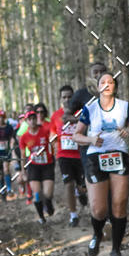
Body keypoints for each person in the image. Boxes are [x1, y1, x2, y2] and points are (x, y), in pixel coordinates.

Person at [73, 73, 129, 256]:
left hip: (119, 155)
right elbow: (76, 135)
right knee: (99, 209)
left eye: (110, 82)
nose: (107, 85)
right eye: (103, 82)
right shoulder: (90, 108)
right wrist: (91, 139)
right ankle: (97, 234)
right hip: (95, 157)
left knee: (119, 204)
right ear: (98, 87)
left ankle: (116, 249)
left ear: (115, 86)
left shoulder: (124, 107)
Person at [50, 85, 88, 226]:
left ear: (74, 98)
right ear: (60, 99)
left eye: (69, 97)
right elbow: (52, 134)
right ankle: (73, 215)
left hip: (80, 154)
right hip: (64, 155)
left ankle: (81, 192)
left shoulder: (82, 113)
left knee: (82, 185)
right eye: (64, 97)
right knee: (69, 184)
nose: (67, 100)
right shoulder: (56, 116)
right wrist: (54, 146)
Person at [18, 109, 55, 224]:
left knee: (48, 194)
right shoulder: (24, 137)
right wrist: (23, 171)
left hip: (47, 165)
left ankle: (49, 204)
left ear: (36, 119)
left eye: (34, 118)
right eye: (29, 119)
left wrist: (54, 152)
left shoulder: (45, 131)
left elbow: (53, 141)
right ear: (26, 122)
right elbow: (22, 156)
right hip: (33, 166)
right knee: (37, 194)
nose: (32, 121)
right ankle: (41, 217)